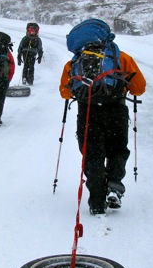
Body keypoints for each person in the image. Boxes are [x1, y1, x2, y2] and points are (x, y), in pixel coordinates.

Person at [59, 19, 146, 215]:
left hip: (88, 112)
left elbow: (64, 92)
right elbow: (139, 88)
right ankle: (114, 187)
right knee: (117, 149)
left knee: (92, 154)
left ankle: (97, 201)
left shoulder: (74, 62)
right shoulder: (121, 57)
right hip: (116, 110)